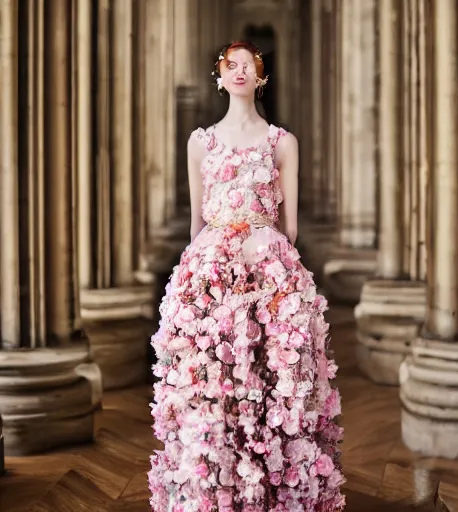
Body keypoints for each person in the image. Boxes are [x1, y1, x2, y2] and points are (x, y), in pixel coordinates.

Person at [148, 40, 345, 512]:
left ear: (262, 78)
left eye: (248, 66)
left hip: (265, 263)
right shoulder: (200, 141)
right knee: (213, 380)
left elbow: (289, 227)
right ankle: (215, 488)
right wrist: (196, 274)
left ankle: (273, 486)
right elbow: (197, 221)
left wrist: (264, 260)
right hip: (212, 266)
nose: (239, 72)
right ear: (219, 77)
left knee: (270, 375)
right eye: (230, 66)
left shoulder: (282, 143)